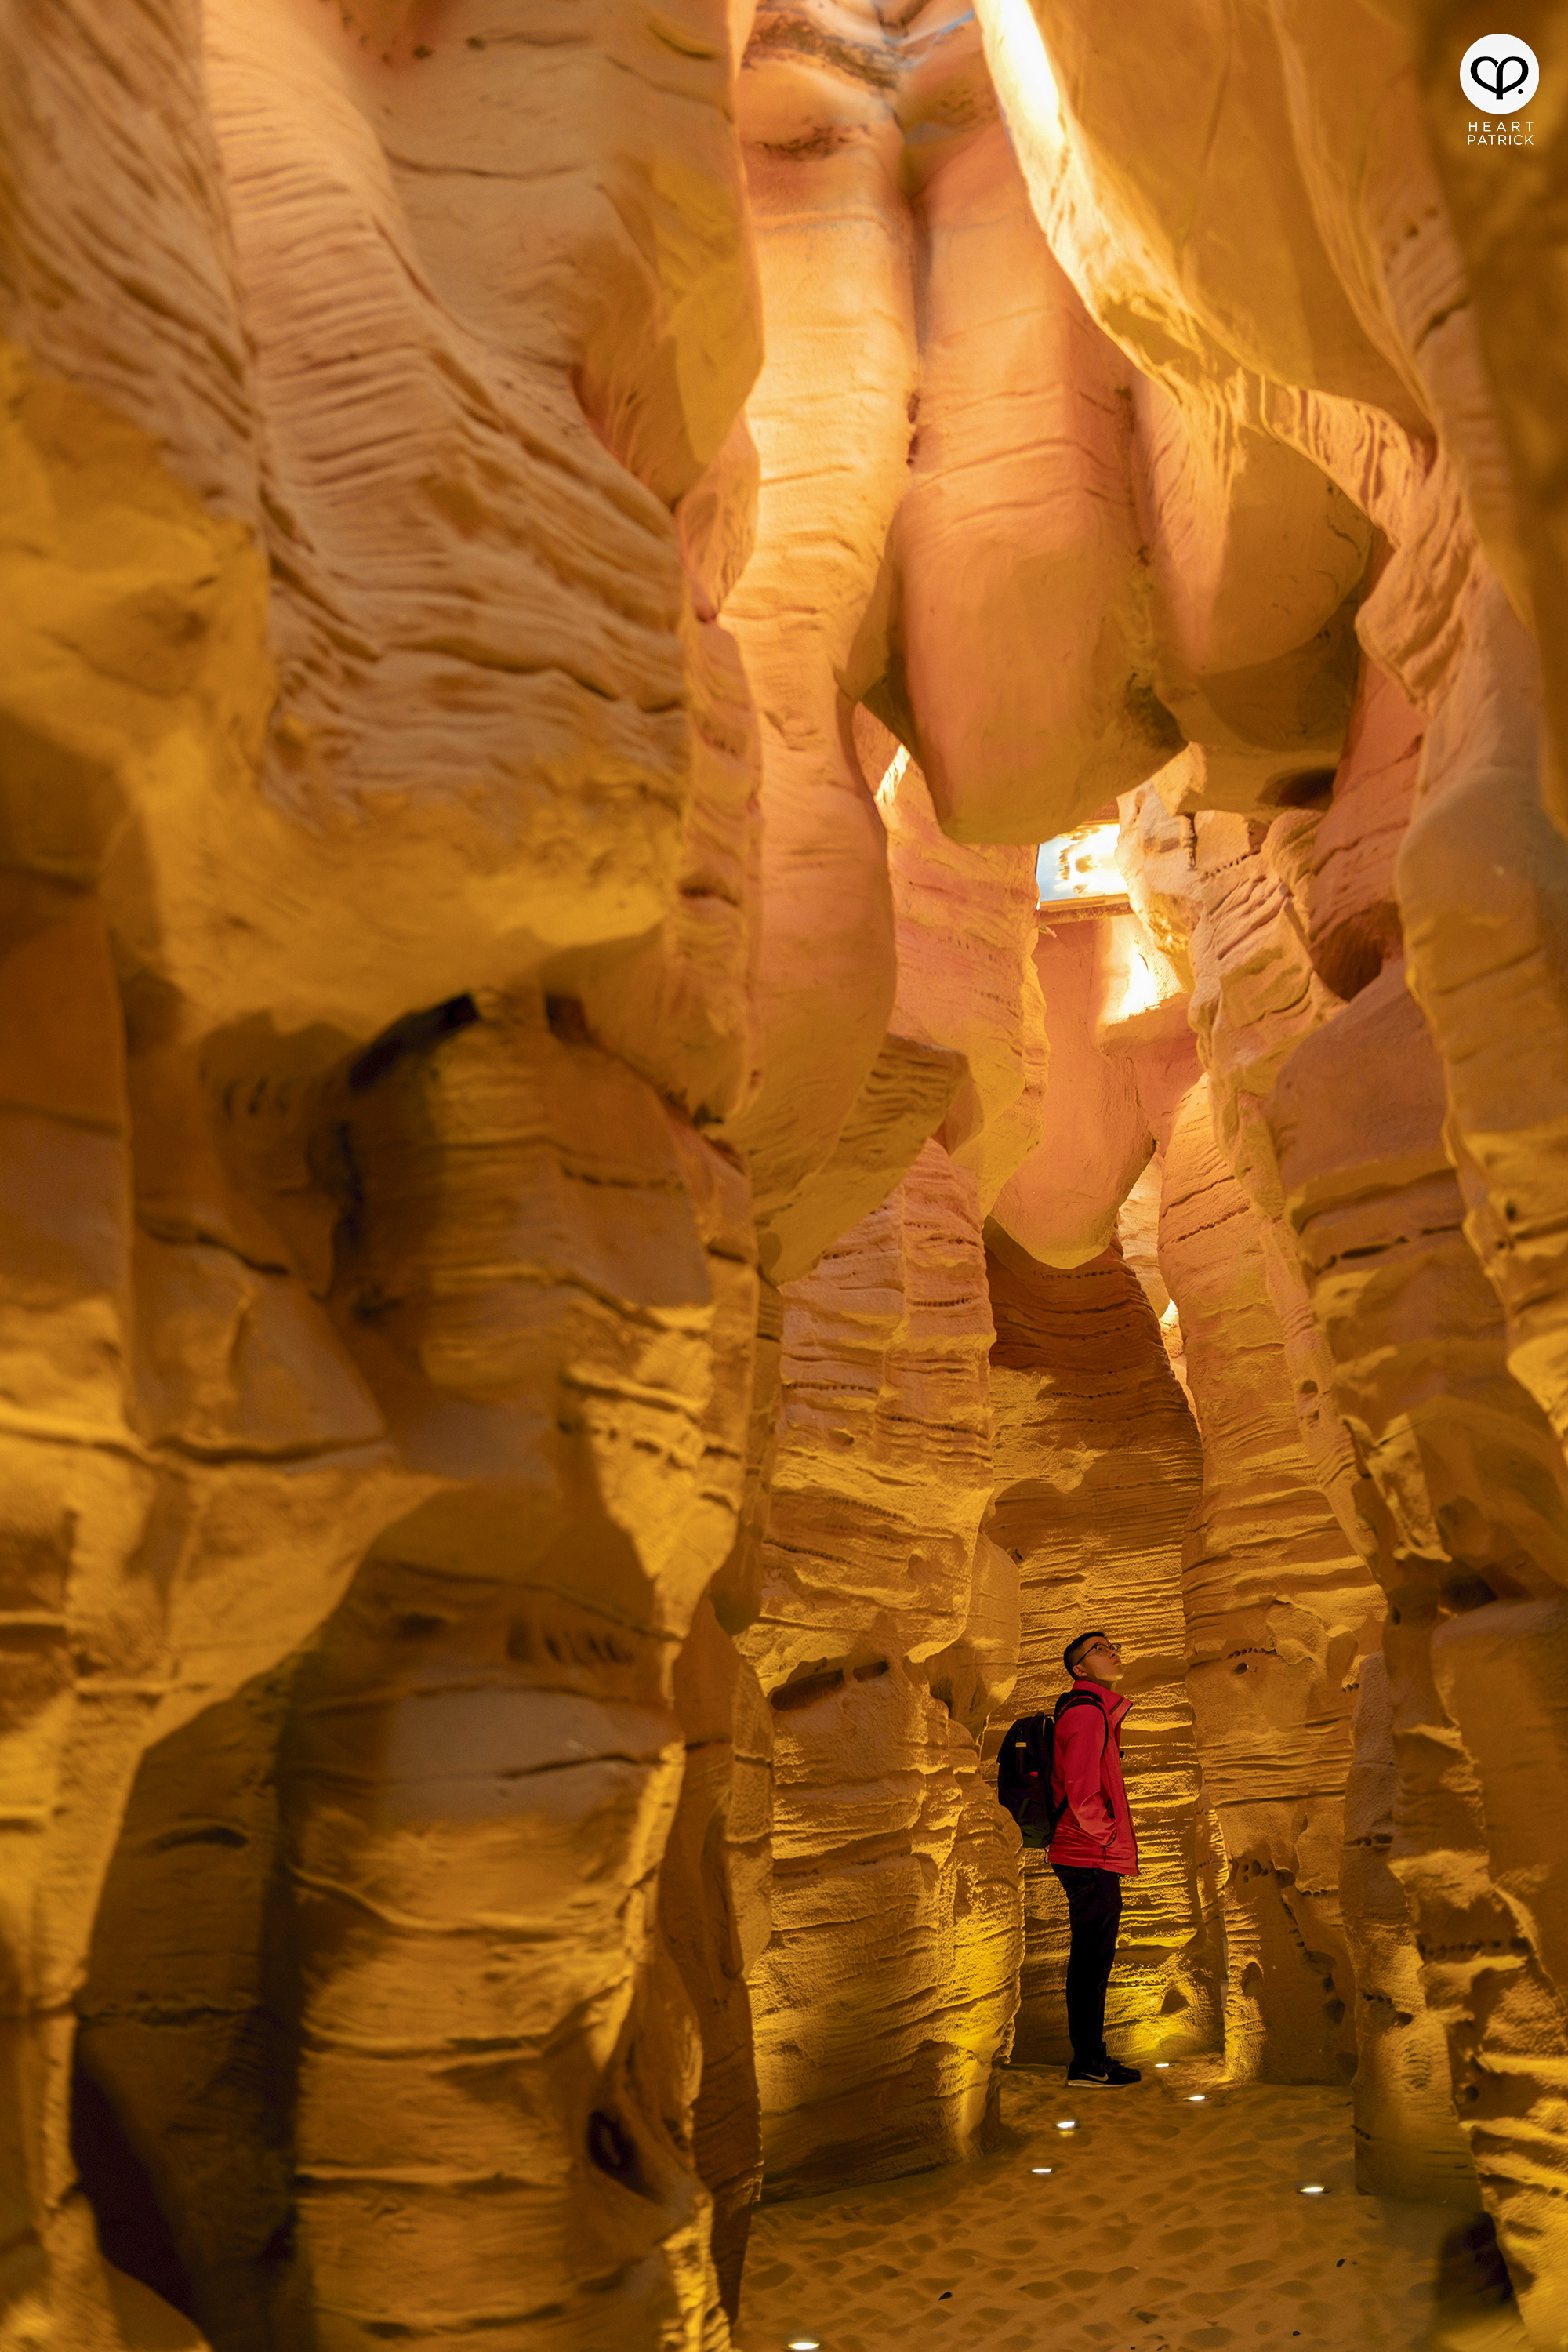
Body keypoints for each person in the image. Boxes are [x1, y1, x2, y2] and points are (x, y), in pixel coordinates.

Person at [1049, 1628, 1141, 2087]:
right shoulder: (1087, 1714)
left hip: (1086, 1852)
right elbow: (1083, 1794)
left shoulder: (1092, 1711)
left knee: (1092, 1959)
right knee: (1091, 1961)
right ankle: (1087, 2062)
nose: (1113, 1652)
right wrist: (1106, 1837)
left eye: (1113, 1646)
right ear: (1079, 1669)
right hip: (1088, 1854)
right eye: (1100, 1650)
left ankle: (1090, 2058)